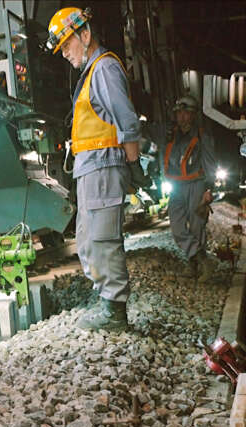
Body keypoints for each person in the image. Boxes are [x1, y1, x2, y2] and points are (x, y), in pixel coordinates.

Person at [45, 7, 142, 331]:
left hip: (103, 167)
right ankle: (107, 303)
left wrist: (132, 165)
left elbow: (126, 121)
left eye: (67, 45)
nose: (65, 54)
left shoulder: (104, 69)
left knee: (102, 239)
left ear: (85, 35)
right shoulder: (92, 72)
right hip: (91, 169)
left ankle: (115, 314)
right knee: (88, 239)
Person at [147, 96, 216, 281]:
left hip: (196, 184)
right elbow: (144, 129)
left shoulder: (202, 136)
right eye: (179, 113)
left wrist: (209, 190)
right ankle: (201, 258)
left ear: (193, 115)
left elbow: (210, 163)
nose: (183, 117)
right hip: (177, 186)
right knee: (177, 228)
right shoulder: (168, 133)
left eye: (186, 113)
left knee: (196, 226)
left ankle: (194, 267)